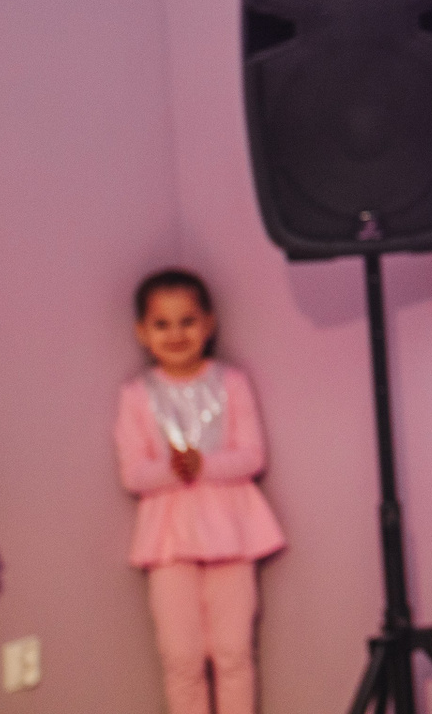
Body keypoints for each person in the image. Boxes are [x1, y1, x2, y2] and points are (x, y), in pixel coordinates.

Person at [116, 268, 285, 714]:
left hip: (232, 531)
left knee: (233, 652)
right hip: (168, 541)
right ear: (142, 332)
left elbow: (252, 456)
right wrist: (173, 470)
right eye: (162, 324)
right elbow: (133, 473)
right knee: (181, 657)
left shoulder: (231, 382)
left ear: (208, 324)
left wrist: (204, 465)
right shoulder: (136, 394)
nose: (176, 334)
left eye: (187, 321)